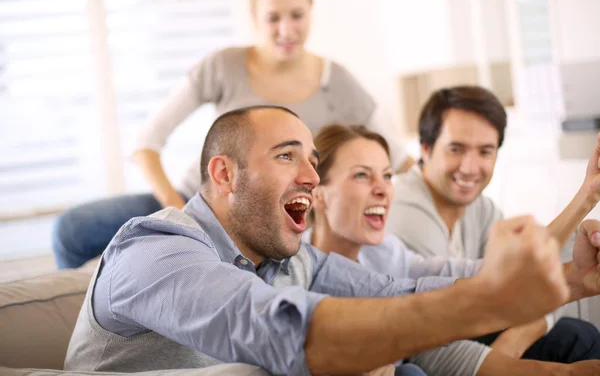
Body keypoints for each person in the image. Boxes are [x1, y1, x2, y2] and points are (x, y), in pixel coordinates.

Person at [65, 105, 600, 376]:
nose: (311, 178)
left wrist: (571, 280)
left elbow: (400, 290)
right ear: (224, 175)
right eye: (285, 156)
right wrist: (492, 299)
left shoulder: (292, 261)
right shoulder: (155, 249)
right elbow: (282, 332)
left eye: (313, 163)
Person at [51, 0, 413, 270]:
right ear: (255, 18)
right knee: (71, 231)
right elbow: (147, 141)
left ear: (311, 13)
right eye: (273, 18)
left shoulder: (338, 83)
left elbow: (399, 159)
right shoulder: (223, 66)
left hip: (261, 220)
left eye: (296, 15)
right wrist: (173, 204)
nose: (286, 29)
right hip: (193, 200)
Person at [305, 123, 600, 375]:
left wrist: (578, 274)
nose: (382, 189)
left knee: (574, 336)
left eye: (387, 175)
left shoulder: (384, 250)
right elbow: (431, 344)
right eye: (361, 175)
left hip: (422, 349)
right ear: (317, 194)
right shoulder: (296, 275)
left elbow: (478, 277)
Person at [386, 85, 600, 360]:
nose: (470, 167)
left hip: (464, 331)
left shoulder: (478, 206)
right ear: (426, 149)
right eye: (456, 149)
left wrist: (516, 338)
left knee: (574, 336)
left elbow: (526, 272)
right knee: (575, 342)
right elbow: (431, 338)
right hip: (426, 349)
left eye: (485, 151)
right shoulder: (406, 209)